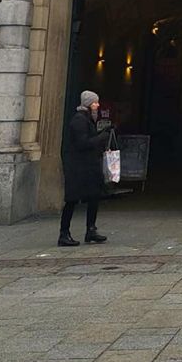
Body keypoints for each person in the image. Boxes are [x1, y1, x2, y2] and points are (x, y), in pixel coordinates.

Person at [59, 92, 110, 247]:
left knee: (94, 196)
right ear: (88, 104)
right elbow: (82, 143)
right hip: (78, 167)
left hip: (89, 166)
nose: (98, 105)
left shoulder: (88, 119)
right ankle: (64, 233)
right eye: (95, 103)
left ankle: (91, 229)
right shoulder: (79, 120)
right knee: (72, 201)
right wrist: (101, 137)